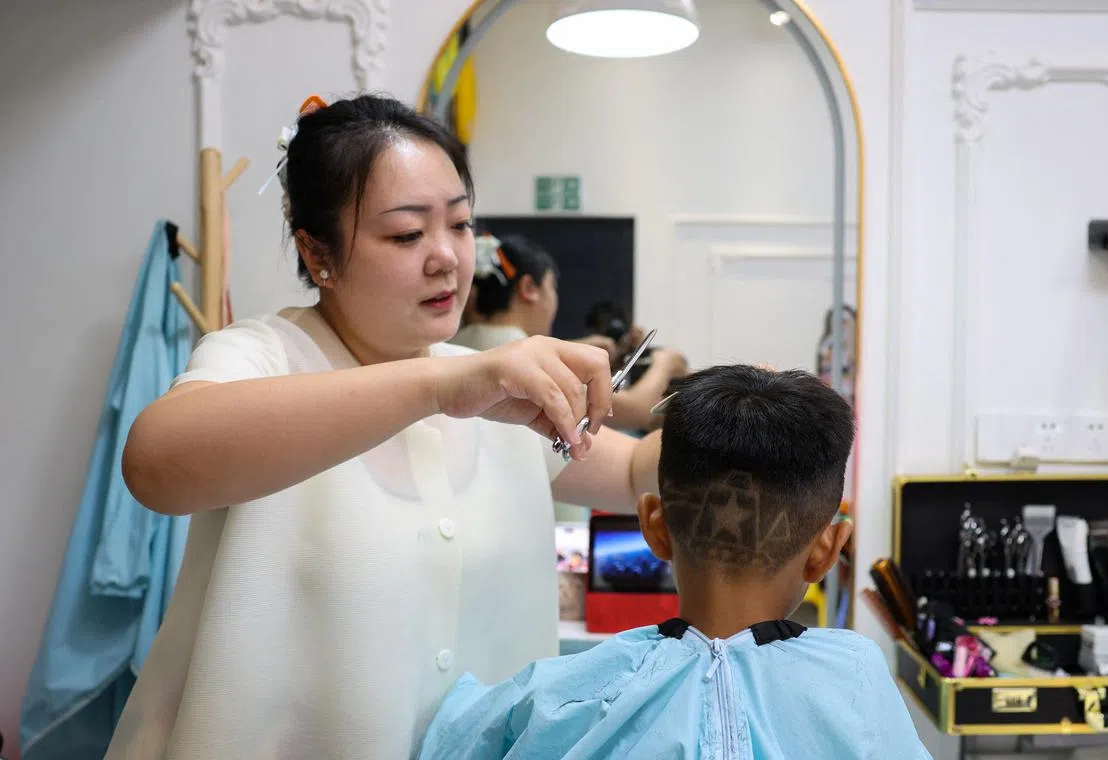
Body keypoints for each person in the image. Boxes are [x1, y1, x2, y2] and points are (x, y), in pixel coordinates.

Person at [104, 94, 664, 760]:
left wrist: (746, 415)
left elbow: (635, 472)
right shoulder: (262, 356)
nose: (447, 257)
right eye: (406, 235)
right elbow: (155, 464)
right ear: (318, 253)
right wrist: (443, 386)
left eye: (460, 225)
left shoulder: (489, 382)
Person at [417, 365, 932, 760]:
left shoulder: (553, 698)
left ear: (653, 526)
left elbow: (453, 740)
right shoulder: (855, 676)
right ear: (829, 549)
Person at [451, 233, 688, 432]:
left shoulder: (457, 343)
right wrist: (665, 362)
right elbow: (636, 411)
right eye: (552, 287)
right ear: (529, 288)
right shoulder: (524, 360)